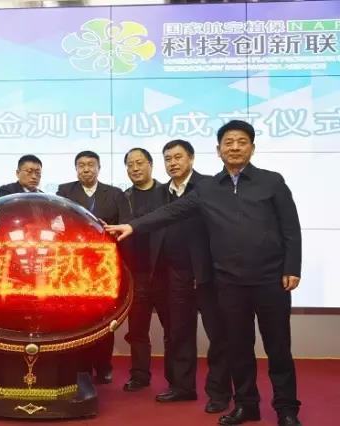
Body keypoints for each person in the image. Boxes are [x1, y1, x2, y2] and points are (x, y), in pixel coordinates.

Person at [106, 120, 302, 426]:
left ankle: (287, 409)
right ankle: (247, 405)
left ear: (252, 147)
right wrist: (132, 226)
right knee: (239, 348)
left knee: (278, 348)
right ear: (218, 150)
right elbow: (170, 212)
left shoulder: (272, 182)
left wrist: (292, 267)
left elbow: (290, 227)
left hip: (269, 279)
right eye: (228, 143)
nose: (234, 147)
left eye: (241, 142)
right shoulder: (208, 188)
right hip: (229, 282)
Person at [150, 140, 232, 413]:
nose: (172, 163)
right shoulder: (160, 193)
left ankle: (219, 393)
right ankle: (182, 387)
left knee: (218, 335)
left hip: (208, 274)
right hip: (175, 274)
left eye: (178, 157)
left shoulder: (208, 186)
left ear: (191, 158)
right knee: (179, 333)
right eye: (167, 159)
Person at [56, 150, 127, 384]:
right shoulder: (65, 191)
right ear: (76, 169)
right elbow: (56, 223)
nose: (86, 169)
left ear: (99, 168)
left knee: (104, 317)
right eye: (81, 165)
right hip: (73, 265)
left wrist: (109, 231)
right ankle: (81, 366)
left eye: (90, 165)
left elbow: (124, 225)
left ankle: (104, 366)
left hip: (104, 266)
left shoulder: (115, 194)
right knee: (77, 318)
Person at [120, 148, 171, 393]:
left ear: (151, 164)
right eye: (130, 164)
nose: (135, 168)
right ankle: (139, 375)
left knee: (172, 329)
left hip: (164, 273)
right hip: (136, 274)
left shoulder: (166, 193)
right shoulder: (123, 197)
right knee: (137, 330)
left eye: (139, 163)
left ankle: (176, 379)